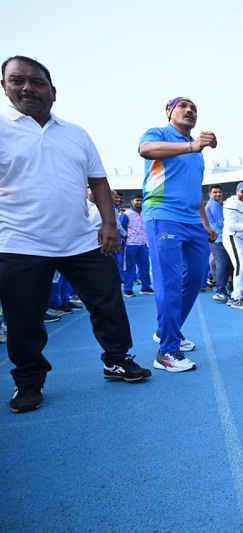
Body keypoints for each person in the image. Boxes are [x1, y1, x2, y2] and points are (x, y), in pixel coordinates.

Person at [0, 56, 150, 413]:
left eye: (36, 82)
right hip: (20, 242)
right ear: (4, 87)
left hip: (82, 240)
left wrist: (109, 225)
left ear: (53, 92)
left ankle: (116, 359)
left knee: (108, 301)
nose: (27, 88)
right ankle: (29, 381)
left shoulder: (76, 134)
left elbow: (98, 181)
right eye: (17, 80)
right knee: (24, 318)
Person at [138, 96, 218, 372]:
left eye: (194, 108)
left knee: (195, 280)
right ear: (169, 112)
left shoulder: (196, 153)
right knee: (169, 282)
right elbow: (145, 149)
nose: (190, 110)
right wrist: (191, 146)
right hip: (163, 215)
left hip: (193, 223)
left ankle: (167, 331)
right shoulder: (159, 134)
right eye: (183, 107)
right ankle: (167, 351)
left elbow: (195, 193)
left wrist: (206, 224)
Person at [222, 182, 243, 309]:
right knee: (240, 265)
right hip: (231, 236)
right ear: (237, 191)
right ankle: (236, 297)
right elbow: (230, 225)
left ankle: (236, 294)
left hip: (241, 238)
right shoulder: (231, 203)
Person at [119, 193, 153, 297]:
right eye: (136, 200)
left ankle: (146, 287)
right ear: (132, 201)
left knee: (145, 266)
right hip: (130, 244)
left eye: (141, 200)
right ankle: (128, 288)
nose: (139, 202)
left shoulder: (146, 213)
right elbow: (121, 227)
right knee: (129, 267)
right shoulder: (127, 214)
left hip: (143, 244)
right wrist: (123, 240)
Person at [206, 184, 233, 303]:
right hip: (218, 240)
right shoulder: (214, 204)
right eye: (215, 192)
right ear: (210, 194)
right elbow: (222, 222)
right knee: (222, 264)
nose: (217, 194)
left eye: (219, 192)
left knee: (226, 264)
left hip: (219, 239)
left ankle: (225, 289)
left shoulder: (215, 204)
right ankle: (220, 291)